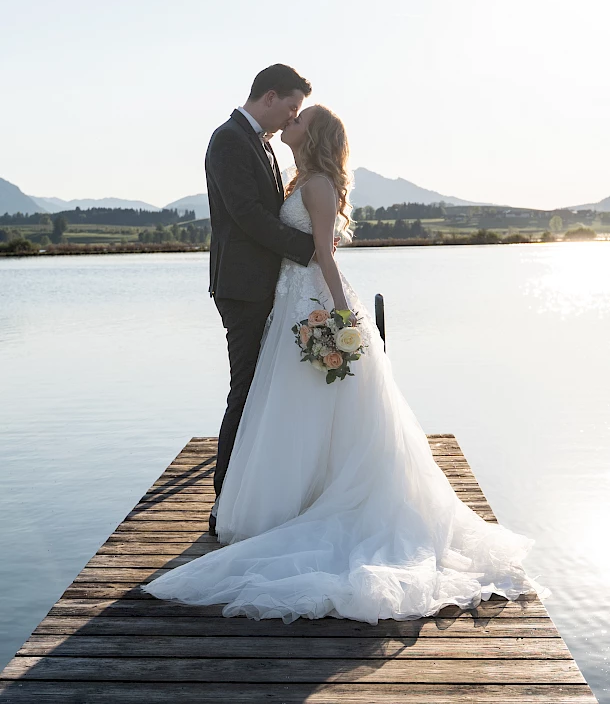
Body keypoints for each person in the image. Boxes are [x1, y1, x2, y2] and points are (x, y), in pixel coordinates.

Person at [141, 105, 550, 623]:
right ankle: (291, 498)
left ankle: (308, 499)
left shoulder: (316, 186)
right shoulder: (299, 177)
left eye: (299, 120)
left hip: (311, 301)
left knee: (309, 402)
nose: (289, 123)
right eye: (289, 114)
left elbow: (325, 255)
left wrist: (340, 317)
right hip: (289, 302)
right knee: (291, 406)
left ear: (312, 136)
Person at [203, 64, 316, 534]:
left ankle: (253, 491)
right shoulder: (229, 139)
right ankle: (225, 500)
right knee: (245, 390)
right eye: (291, 107)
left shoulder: (261, 143)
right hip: (243, 288)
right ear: (269, 96)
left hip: (268, 286)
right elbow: (246, 214)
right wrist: (306, 250)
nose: (292, 117)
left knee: (261, 390)